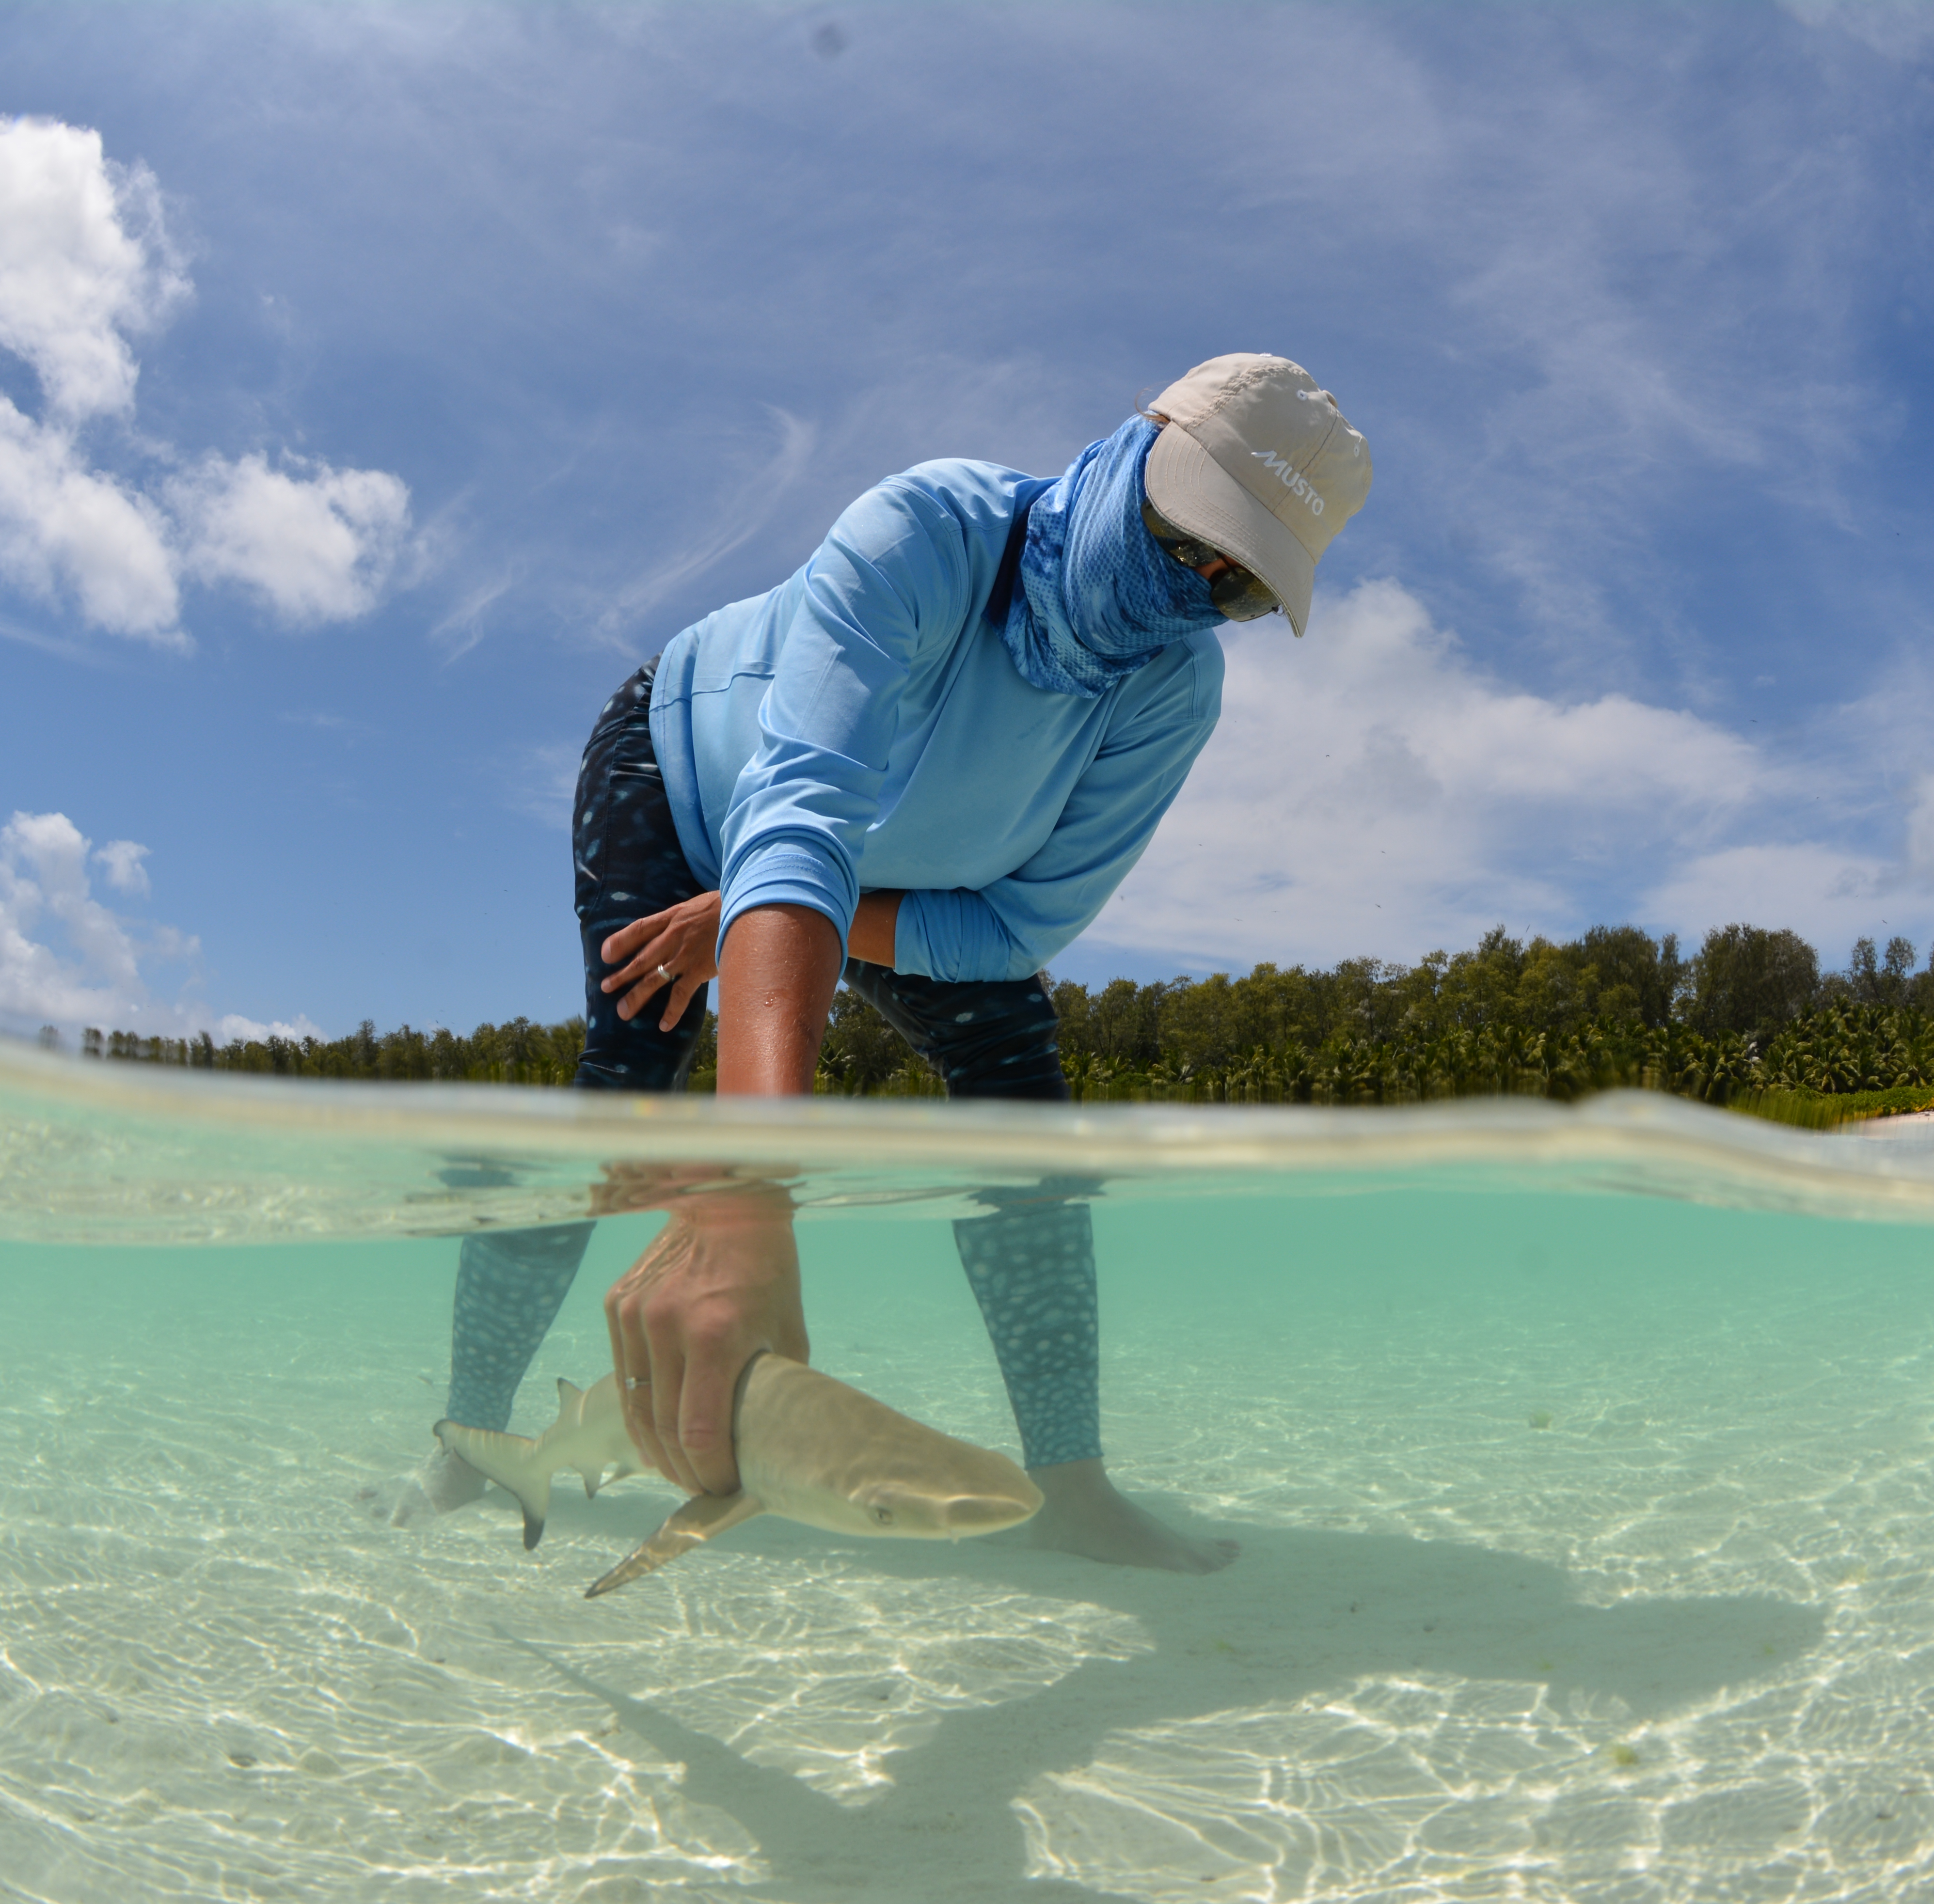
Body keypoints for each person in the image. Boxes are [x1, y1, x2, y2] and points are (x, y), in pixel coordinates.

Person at [399, 354, 1370, 1571]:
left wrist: (750, 912)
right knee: (631, 1079)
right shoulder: (925, 531)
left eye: (1242, 585)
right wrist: (746, 1194)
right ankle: (467, 1443)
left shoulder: (1172, 694)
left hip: (897, 886)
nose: (1196, 588)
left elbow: (1014, 931)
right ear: (1134, 449)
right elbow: (798, 819)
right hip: (687, 777)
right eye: (1187, 536)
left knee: (1027, 1119)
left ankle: (1071, 1484)